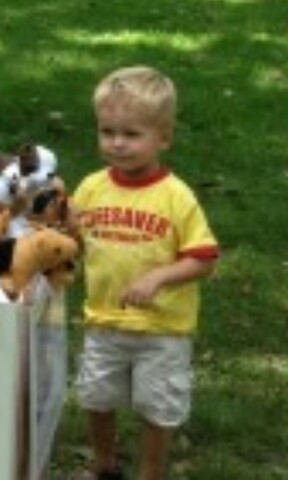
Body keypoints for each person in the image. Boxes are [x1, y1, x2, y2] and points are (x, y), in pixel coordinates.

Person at [70, 66, 220, 480]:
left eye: (132, 134)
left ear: (163, 137)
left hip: (161, 329)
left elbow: (204, 257)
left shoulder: (176, 197)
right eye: (107, 131)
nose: (117, 143)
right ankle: (103, 463)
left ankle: (149, 472)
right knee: (96, 398)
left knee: (158, 406)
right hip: (104, 319)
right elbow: (74, 240)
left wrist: (158, 278)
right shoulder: (90, 188)